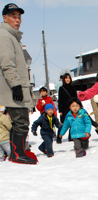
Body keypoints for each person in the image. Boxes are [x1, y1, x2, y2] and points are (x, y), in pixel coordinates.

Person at [0, 3, 36, 164]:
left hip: (16, 88)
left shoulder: (12, 37)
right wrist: (15, 85)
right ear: (5, 18)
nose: (17, 19)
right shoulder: (5, 36)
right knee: (21, 121)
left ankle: (18, 153)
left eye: (19, 16)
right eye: (13, 16)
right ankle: (18, 154)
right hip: (12, 89)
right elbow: (7, 63)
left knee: (20, 121)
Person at [57, 73, 77, 143]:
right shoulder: (61, 88)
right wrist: (60, 110)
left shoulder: (73, 87)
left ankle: (71, 137)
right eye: (66, 78)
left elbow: (76, 98)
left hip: (72, 108)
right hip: (64, 108)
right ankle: (59, 138)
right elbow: (60, 100)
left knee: (73, 123)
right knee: (63, 124)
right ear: (63, 80)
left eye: (68, 78)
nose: (67, 79)